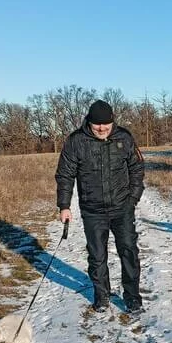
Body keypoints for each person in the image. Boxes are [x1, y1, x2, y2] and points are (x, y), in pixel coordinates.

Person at [55, 99, 145, 313]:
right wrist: (64, 206)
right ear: (89, 122)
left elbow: (137, 169)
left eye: (106, 124)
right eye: (97, 125)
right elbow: (65, 175)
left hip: (122, 207)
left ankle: (132, 298)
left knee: (129, 252)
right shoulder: (76, 141)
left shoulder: (124, 137)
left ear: (113, 122)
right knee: (97, 256)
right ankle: (102, 296)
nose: (102, 128)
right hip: (92, 210)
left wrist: (133, 199)